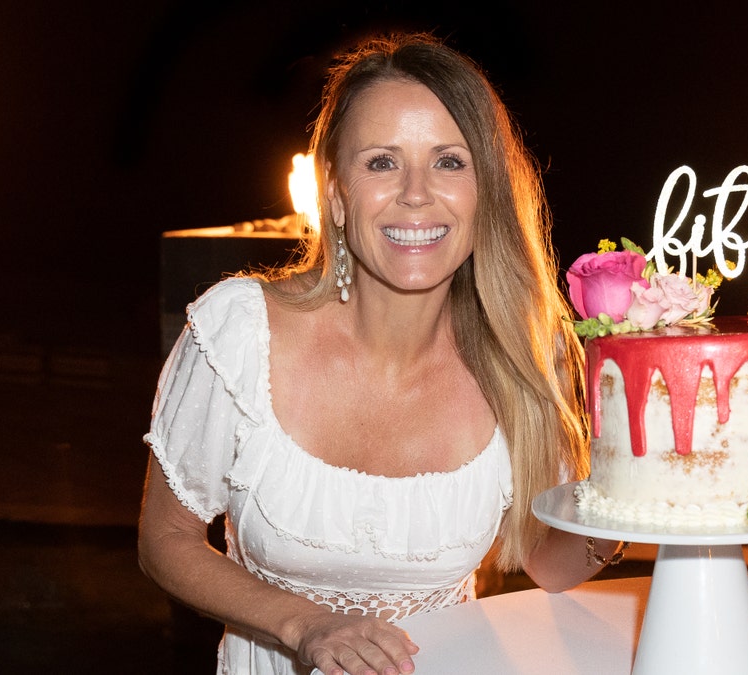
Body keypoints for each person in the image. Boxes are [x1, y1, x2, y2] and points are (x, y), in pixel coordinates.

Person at [138, 33, 626, 675]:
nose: (417, 193)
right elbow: (165, 541)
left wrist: (632, 476)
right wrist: (304, 624)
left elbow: (551, 565)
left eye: (450, 161)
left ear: (487, 194)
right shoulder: (239, 332)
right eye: (381, 162)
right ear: (335, 195)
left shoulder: (524, 356)